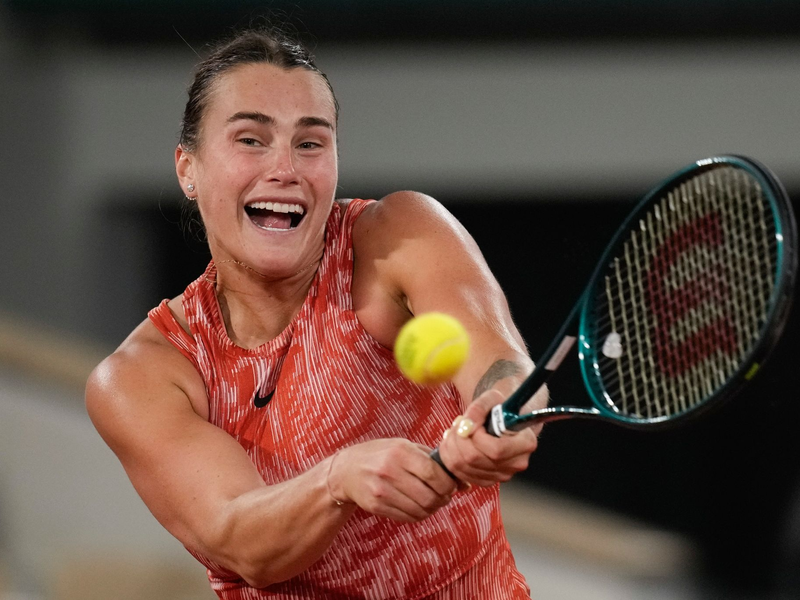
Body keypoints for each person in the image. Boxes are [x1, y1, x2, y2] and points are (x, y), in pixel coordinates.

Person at [85, 24, 547, 599]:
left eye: (310, 143)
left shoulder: (398, 236)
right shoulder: (141, 376)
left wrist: (501, 412)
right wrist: (337, 478)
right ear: (188, 169)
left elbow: (501, 361)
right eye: (250, 140)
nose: (286, 169)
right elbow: (243, 541)